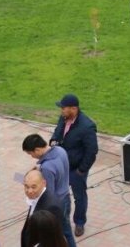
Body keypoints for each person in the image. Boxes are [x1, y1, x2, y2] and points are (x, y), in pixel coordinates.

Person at [50, 94, 98, 238]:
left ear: (74, 109)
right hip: (61, 166)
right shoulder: (63, 118)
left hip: (76, 169)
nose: (61, 111)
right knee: (59, 195)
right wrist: (53, 141)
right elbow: (58, 131)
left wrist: (81, 170)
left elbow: (92, 151)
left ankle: (79, 222)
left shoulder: (87, 126)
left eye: (63, 108)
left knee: (79, 197)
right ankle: (60, 220)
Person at [22, 134, 75, 247]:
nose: (31, 156)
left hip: (57, 203)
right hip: (66, 196)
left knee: (58, 233)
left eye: (30, 153)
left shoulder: (47, 167)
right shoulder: (60, 150)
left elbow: (46, 192)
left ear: (37, 149)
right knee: (66, 231)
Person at [20, 168, 65, 247]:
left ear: (44, 183)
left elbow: (51, 240)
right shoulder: (36, 196)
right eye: (26, 186)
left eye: (34, 187)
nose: (29, 191)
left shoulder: (52, 207)